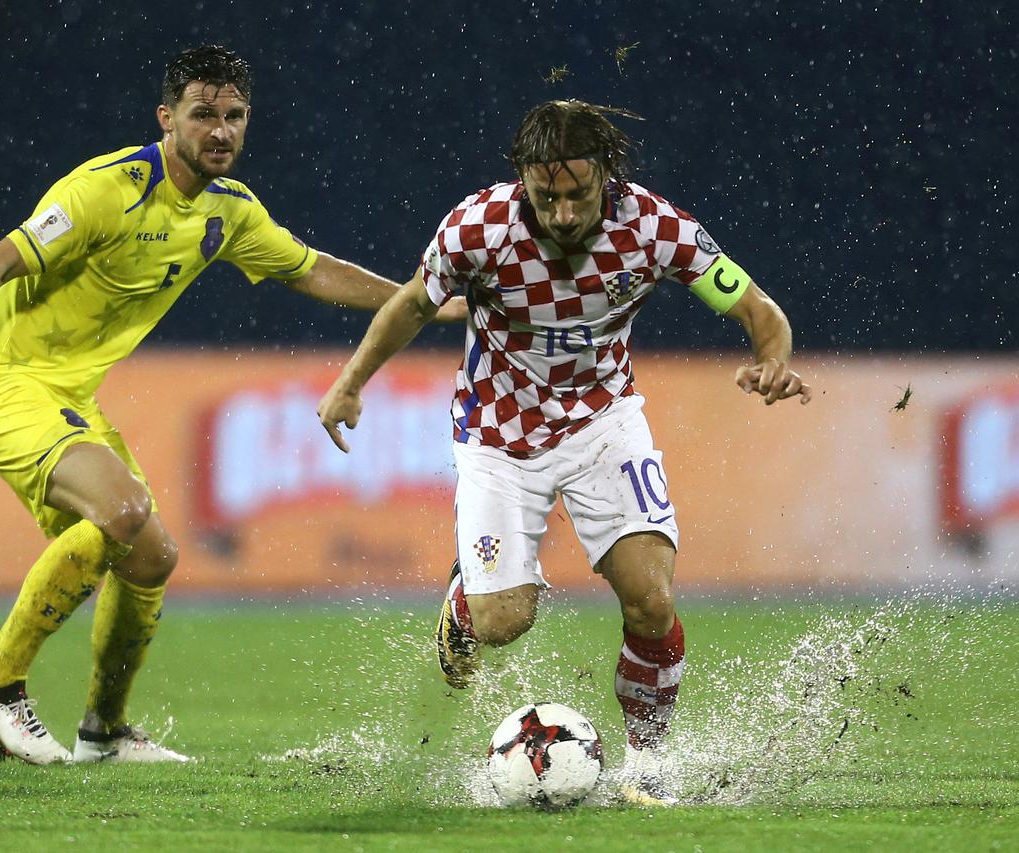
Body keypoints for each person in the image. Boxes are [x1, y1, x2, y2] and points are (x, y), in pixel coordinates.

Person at [0, 45, 461, 765]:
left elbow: (310, 270)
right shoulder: (106, 190)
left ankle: (104, 733)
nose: (221, 131)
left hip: (64, 395)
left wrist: (421, 299)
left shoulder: (231, 211)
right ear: (166, 119)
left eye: (235, 116)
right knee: (122, 512)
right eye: (203, 114)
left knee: (149, 556)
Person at [317, 100, 811, 805]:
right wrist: (350, 381)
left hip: (604, 424)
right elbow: (412, 305)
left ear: (607, 174)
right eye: (547, 196)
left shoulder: (655, 227)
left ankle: (646, 764)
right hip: (497, 436)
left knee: (651, 598)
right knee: (503, 623)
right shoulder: (478, 227)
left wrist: (772, 360)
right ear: (523, 177)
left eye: (579, 193)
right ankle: (467, 601)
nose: (564, 212)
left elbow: (759, 310)